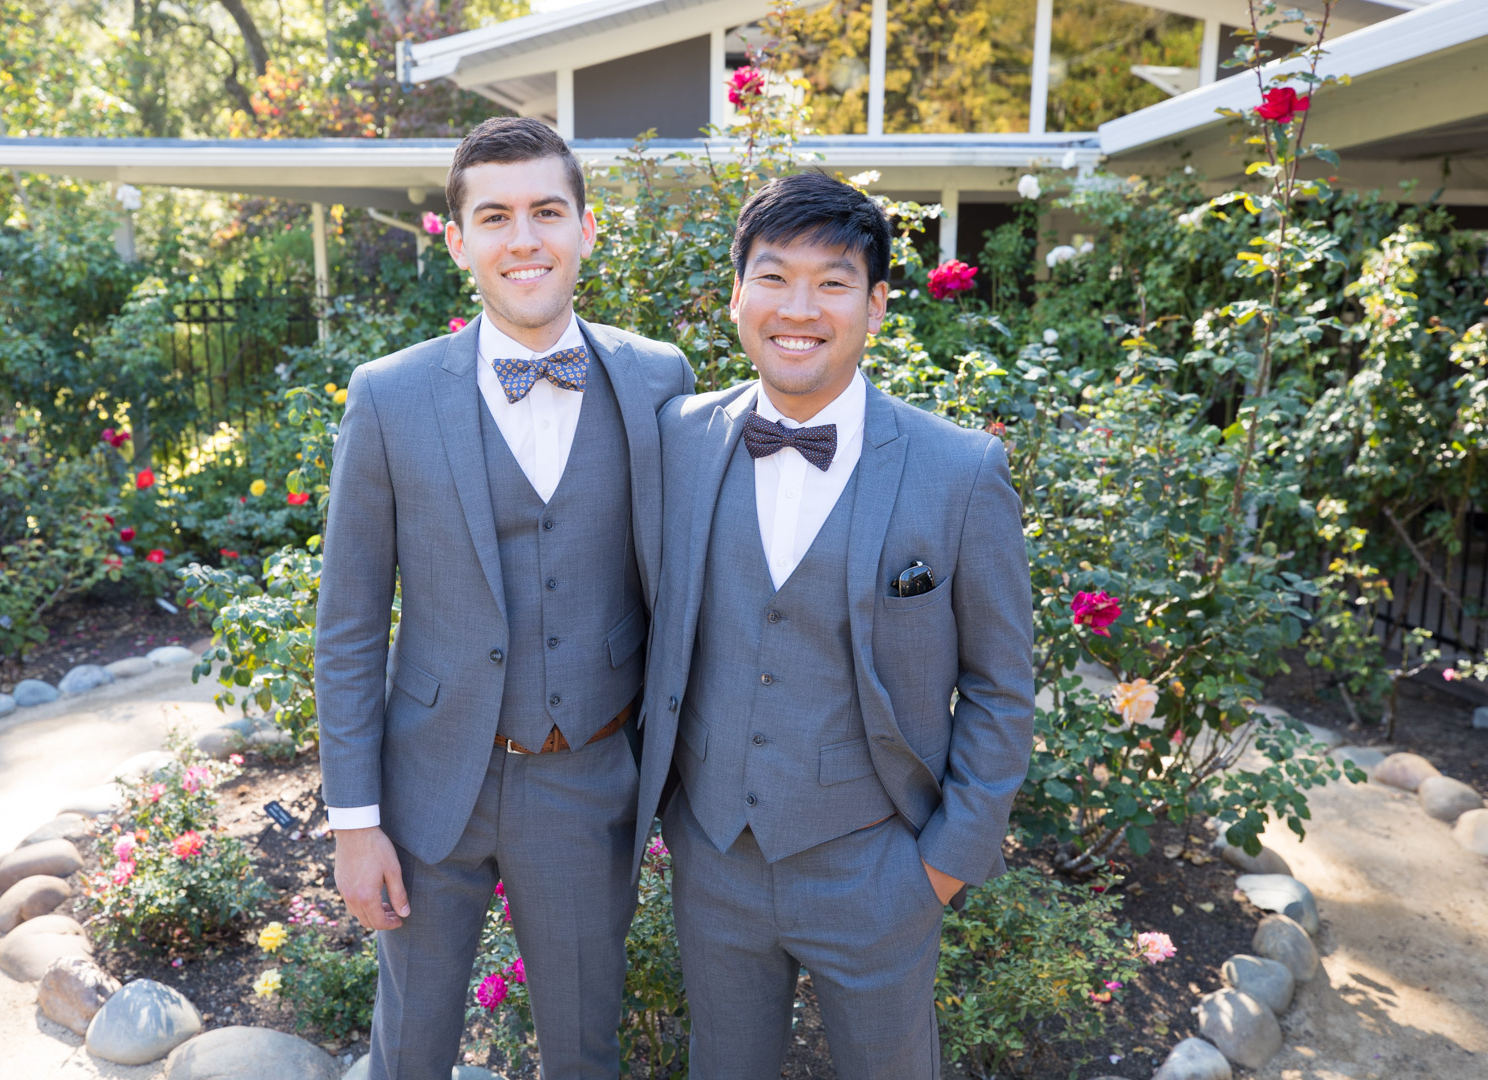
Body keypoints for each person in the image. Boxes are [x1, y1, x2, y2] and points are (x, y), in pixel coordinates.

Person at [315, 116, 694, 1080]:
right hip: (427, 784)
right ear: (457, 240)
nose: (524, 239)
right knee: (409, 1052)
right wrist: (355, 823)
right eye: (494, 217)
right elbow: (349, 626)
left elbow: (686, 587)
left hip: (587, 776)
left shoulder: (658, 380)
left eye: (546, 212)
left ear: (587, 228)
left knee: (584, 1053)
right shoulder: (389, 396)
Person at [634, 171, 1034, 1078]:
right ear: (737, 294)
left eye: (833, 281)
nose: (799, 308)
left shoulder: (960, 472)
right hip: (715, 859)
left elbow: (1003, 686)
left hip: (879, 868)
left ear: (877, 304)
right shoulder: (677, 441)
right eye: (774, 277)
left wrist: (941, 867)